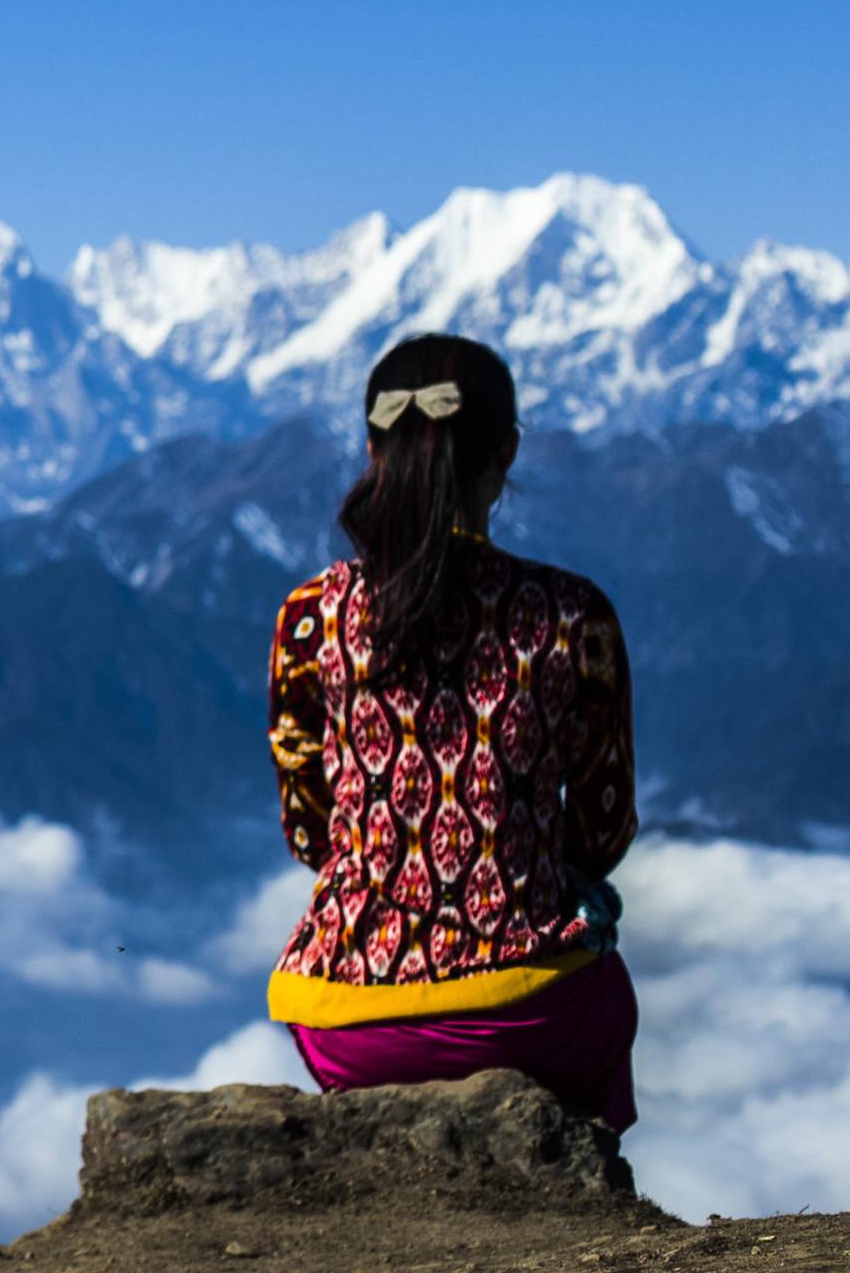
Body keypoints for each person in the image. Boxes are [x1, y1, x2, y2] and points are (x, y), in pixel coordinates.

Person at [264, 333, 639, 1128]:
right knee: (605, 978)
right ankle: (577, 1210)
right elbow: (602, 833)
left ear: (372, 450)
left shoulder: (309, 619)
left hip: (344, 1021)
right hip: (526, 1016)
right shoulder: (573, 617)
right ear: (504, 452)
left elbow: (309, 831)